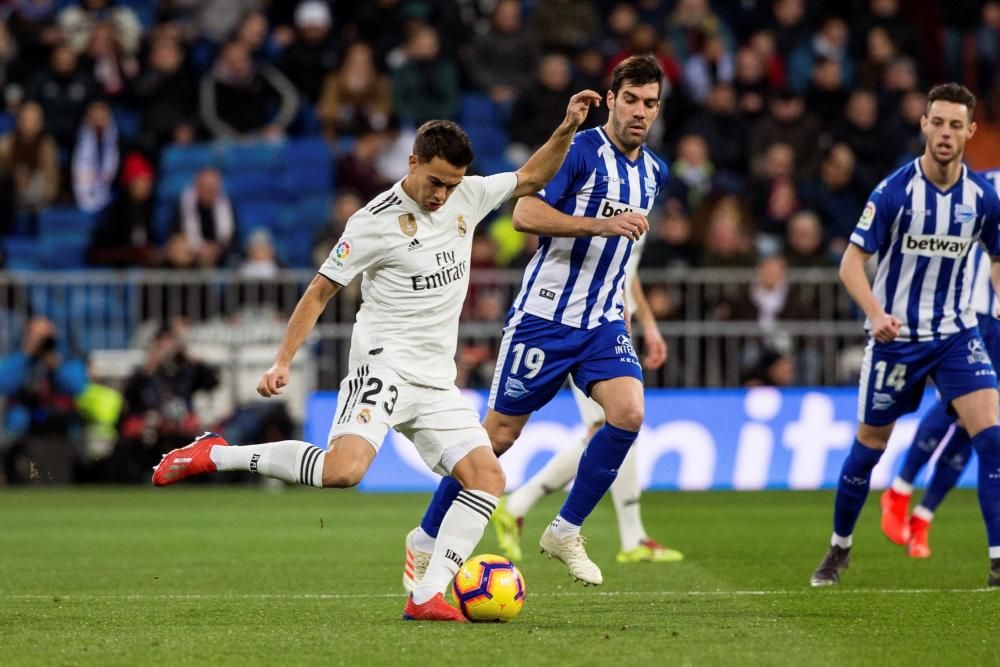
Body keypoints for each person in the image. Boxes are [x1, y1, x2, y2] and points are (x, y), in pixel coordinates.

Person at [151, 89, 604, 623]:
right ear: (412, 163)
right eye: (434, 181)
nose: (442, 195)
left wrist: (567, 127)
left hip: (436, 381)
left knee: (487, 477)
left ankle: (427, 596)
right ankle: (215, 453)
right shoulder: (373, 221)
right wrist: (282, 361)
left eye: (452, 184)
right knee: (344, 473)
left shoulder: (468, 196)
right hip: (381, 367)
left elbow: (529, 179)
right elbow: (319, 291)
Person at [402, 55, 667, 591]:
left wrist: (639, 311)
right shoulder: (581, 151)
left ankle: (565, 530)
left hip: (602, 323)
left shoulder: (654, 172)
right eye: (632, 100)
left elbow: (623, 255)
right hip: (544, 320)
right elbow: (524, 216)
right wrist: (600, 224)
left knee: (629, 413)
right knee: (495, 439)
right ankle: (425, 539)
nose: (641, 113)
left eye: (651, 104)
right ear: (611, 100)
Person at [809, 84, 1000, 588]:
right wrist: (875, 313)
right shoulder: (895, 191)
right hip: (899, 339)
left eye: (956, 125)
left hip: (959, 333)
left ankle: (999, 560)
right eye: (937, 123)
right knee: (867, 450)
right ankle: (839, 547)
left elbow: (997, 258)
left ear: (970, 132)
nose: (945, 133)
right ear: (924, 125)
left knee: (994, 439)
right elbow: (851, 264)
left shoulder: (983, 197)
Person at [490, 245, 679, 564]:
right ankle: (630, 537)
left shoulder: (640, 199)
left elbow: (625, 268)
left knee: (620, 421)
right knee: (609, 426)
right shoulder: (604, 203)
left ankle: (520, 504)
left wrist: (647, 321)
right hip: (581, 322)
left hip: (612, 323)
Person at [880, 170, 1000, 558]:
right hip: (981, 314)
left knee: (979, 426)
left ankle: (923, 515)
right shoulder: (985, 185)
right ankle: (900, 488)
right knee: (957, 410)